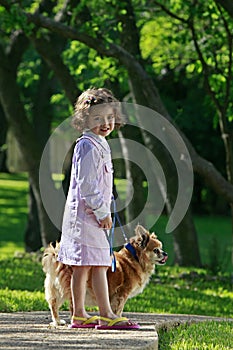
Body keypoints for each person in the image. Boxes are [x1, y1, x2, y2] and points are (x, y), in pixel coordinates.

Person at [57, 87, 139, 330]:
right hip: (85, 217)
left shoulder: (101, 143)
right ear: (84, 120)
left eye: (109, 118)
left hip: (97, 216)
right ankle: (86, 314)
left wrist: (107, 207)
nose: (105, 123)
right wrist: (102, 213)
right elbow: (87, 183)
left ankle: (99, 314)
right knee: (83, 265)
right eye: (97, 119)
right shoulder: (86, 145)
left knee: (99, 263)